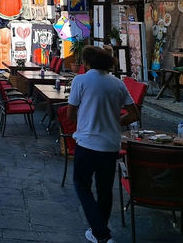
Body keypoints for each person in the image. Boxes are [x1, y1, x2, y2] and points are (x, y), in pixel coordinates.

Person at [67, 45, 139, 243]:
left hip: (87, 144)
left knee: (82, 186)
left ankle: (101, 233)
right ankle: (100, 232)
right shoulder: (118, 84)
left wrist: (86, 122)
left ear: (87, 63)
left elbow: (70, 113)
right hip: (110, 145)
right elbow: (134, 114)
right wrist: (116, 122)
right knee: (105, 190)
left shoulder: (81, 80)